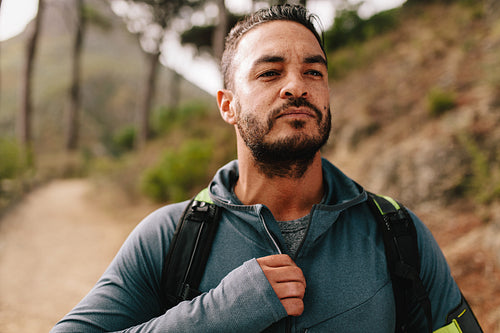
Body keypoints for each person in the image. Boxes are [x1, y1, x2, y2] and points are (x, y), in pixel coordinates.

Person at [52, 5, 479, 332]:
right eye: (270, 73)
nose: (297, 86)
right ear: (228, 105)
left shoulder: (397, 232)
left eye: (313, 71)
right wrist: (213, 315)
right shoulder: (171, 236)